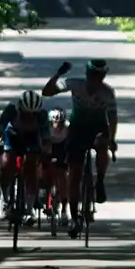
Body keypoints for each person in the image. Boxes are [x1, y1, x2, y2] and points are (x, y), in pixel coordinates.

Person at [42, 59, 117, 236]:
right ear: (87, 75)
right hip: (77, 129)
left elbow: (113, 118)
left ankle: (99, 182)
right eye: (92, 76)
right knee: (74, 175)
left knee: (101, 143)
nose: (95, 81)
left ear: (103, 77)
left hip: (98, 128)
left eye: (99, 77)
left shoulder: (107, 93)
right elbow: (47, 92)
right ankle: (75, 218)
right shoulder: (75, 84)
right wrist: (58, 74)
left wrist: (111, 139)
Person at [0, 90, 51, 224]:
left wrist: (46, 151)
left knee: (31, 166)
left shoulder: (41, 115)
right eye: (26, 114)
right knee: (7, 164)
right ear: (20, 108)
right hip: (12, 136)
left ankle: (29, 208)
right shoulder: (11, 110)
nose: (29, 116)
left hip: (32, 139)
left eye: (32, 114)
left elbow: (46, 138)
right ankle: (5, 198)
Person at [47, 108, 71, 226]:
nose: (58, 126)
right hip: (49, 151)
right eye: (55, 123)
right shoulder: (46, 129)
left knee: (63, 178)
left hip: (63, 152)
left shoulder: (67, 129)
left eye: (60, 123)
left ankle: (64, 210)